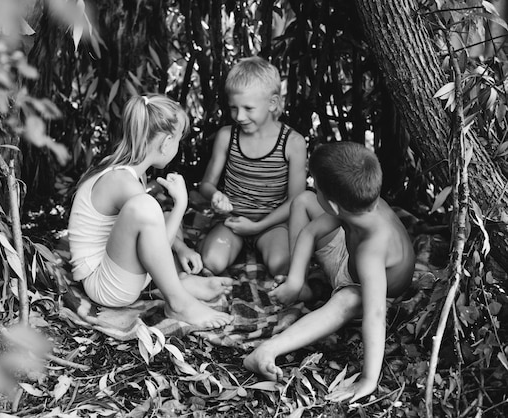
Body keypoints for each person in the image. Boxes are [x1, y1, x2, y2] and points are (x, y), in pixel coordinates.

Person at [243, 141, 415, 402]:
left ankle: (266, 350)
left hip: (367, 289)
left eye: (317, 187)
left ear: (333, 205)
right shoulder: (359, 205)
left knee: (346, 301)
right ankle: (301, 286)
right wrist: (295, 280)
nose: (314, 188)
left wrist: (369, 379)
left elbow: (376, 315)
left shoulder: (373, 247)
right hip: (347, 260)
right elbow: (311, 231)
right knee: (302, 200)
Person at [68, 94, 234, 329]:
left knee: (158, 214)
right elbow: (157, 246)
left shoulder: (127, 171)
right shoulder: (123, 182)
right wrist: (181, 205)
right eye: (178, 141)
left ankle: (179, 282)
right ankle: (179, 302)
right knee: (147, 208)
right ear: (166, 143)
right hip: (105, 287)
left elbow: (153, 241)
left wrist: (182, 248)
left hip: (113, 270)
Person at [199, 56, 307, 276]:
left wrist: (257, 227)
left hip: (272, 225)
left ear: (272, 103)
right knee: (211, 261)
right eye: (233, 108)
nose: (239, 116)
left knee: (283, 266)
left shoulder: (292, 143)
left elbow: (297, 200)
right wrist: (216, 196)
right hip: (233, 222)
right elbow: (206, 184)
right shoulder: (226, 136)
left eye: (248, 108)